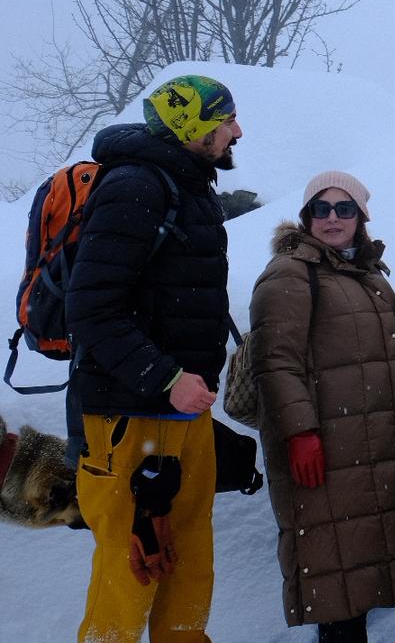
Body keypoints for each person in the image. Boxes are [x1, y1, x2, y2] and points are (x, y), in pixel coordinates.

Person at [65, 74, 241, 643]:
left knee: (187, 565)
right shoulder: (136, 187)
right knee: (130, 571)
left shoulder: (187, 186)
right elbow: (90, 308)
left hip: (180, 417)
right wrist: (163, 377)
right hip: (127, 419)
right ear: (191, 128)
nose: (236, 131)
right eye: (223, 121)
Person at [249, 172, 395, 640]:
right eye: (321, 209)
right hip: (327, 450)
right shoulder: (291, 272)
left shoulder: (364, 271)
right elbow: (276, 363)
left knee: (362, 569)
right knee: (337, 580)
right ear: (307, 217)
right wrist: (300, 433)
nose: (333, 218)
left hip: (372, 448)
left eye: (344, 208)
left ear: (361, 217)